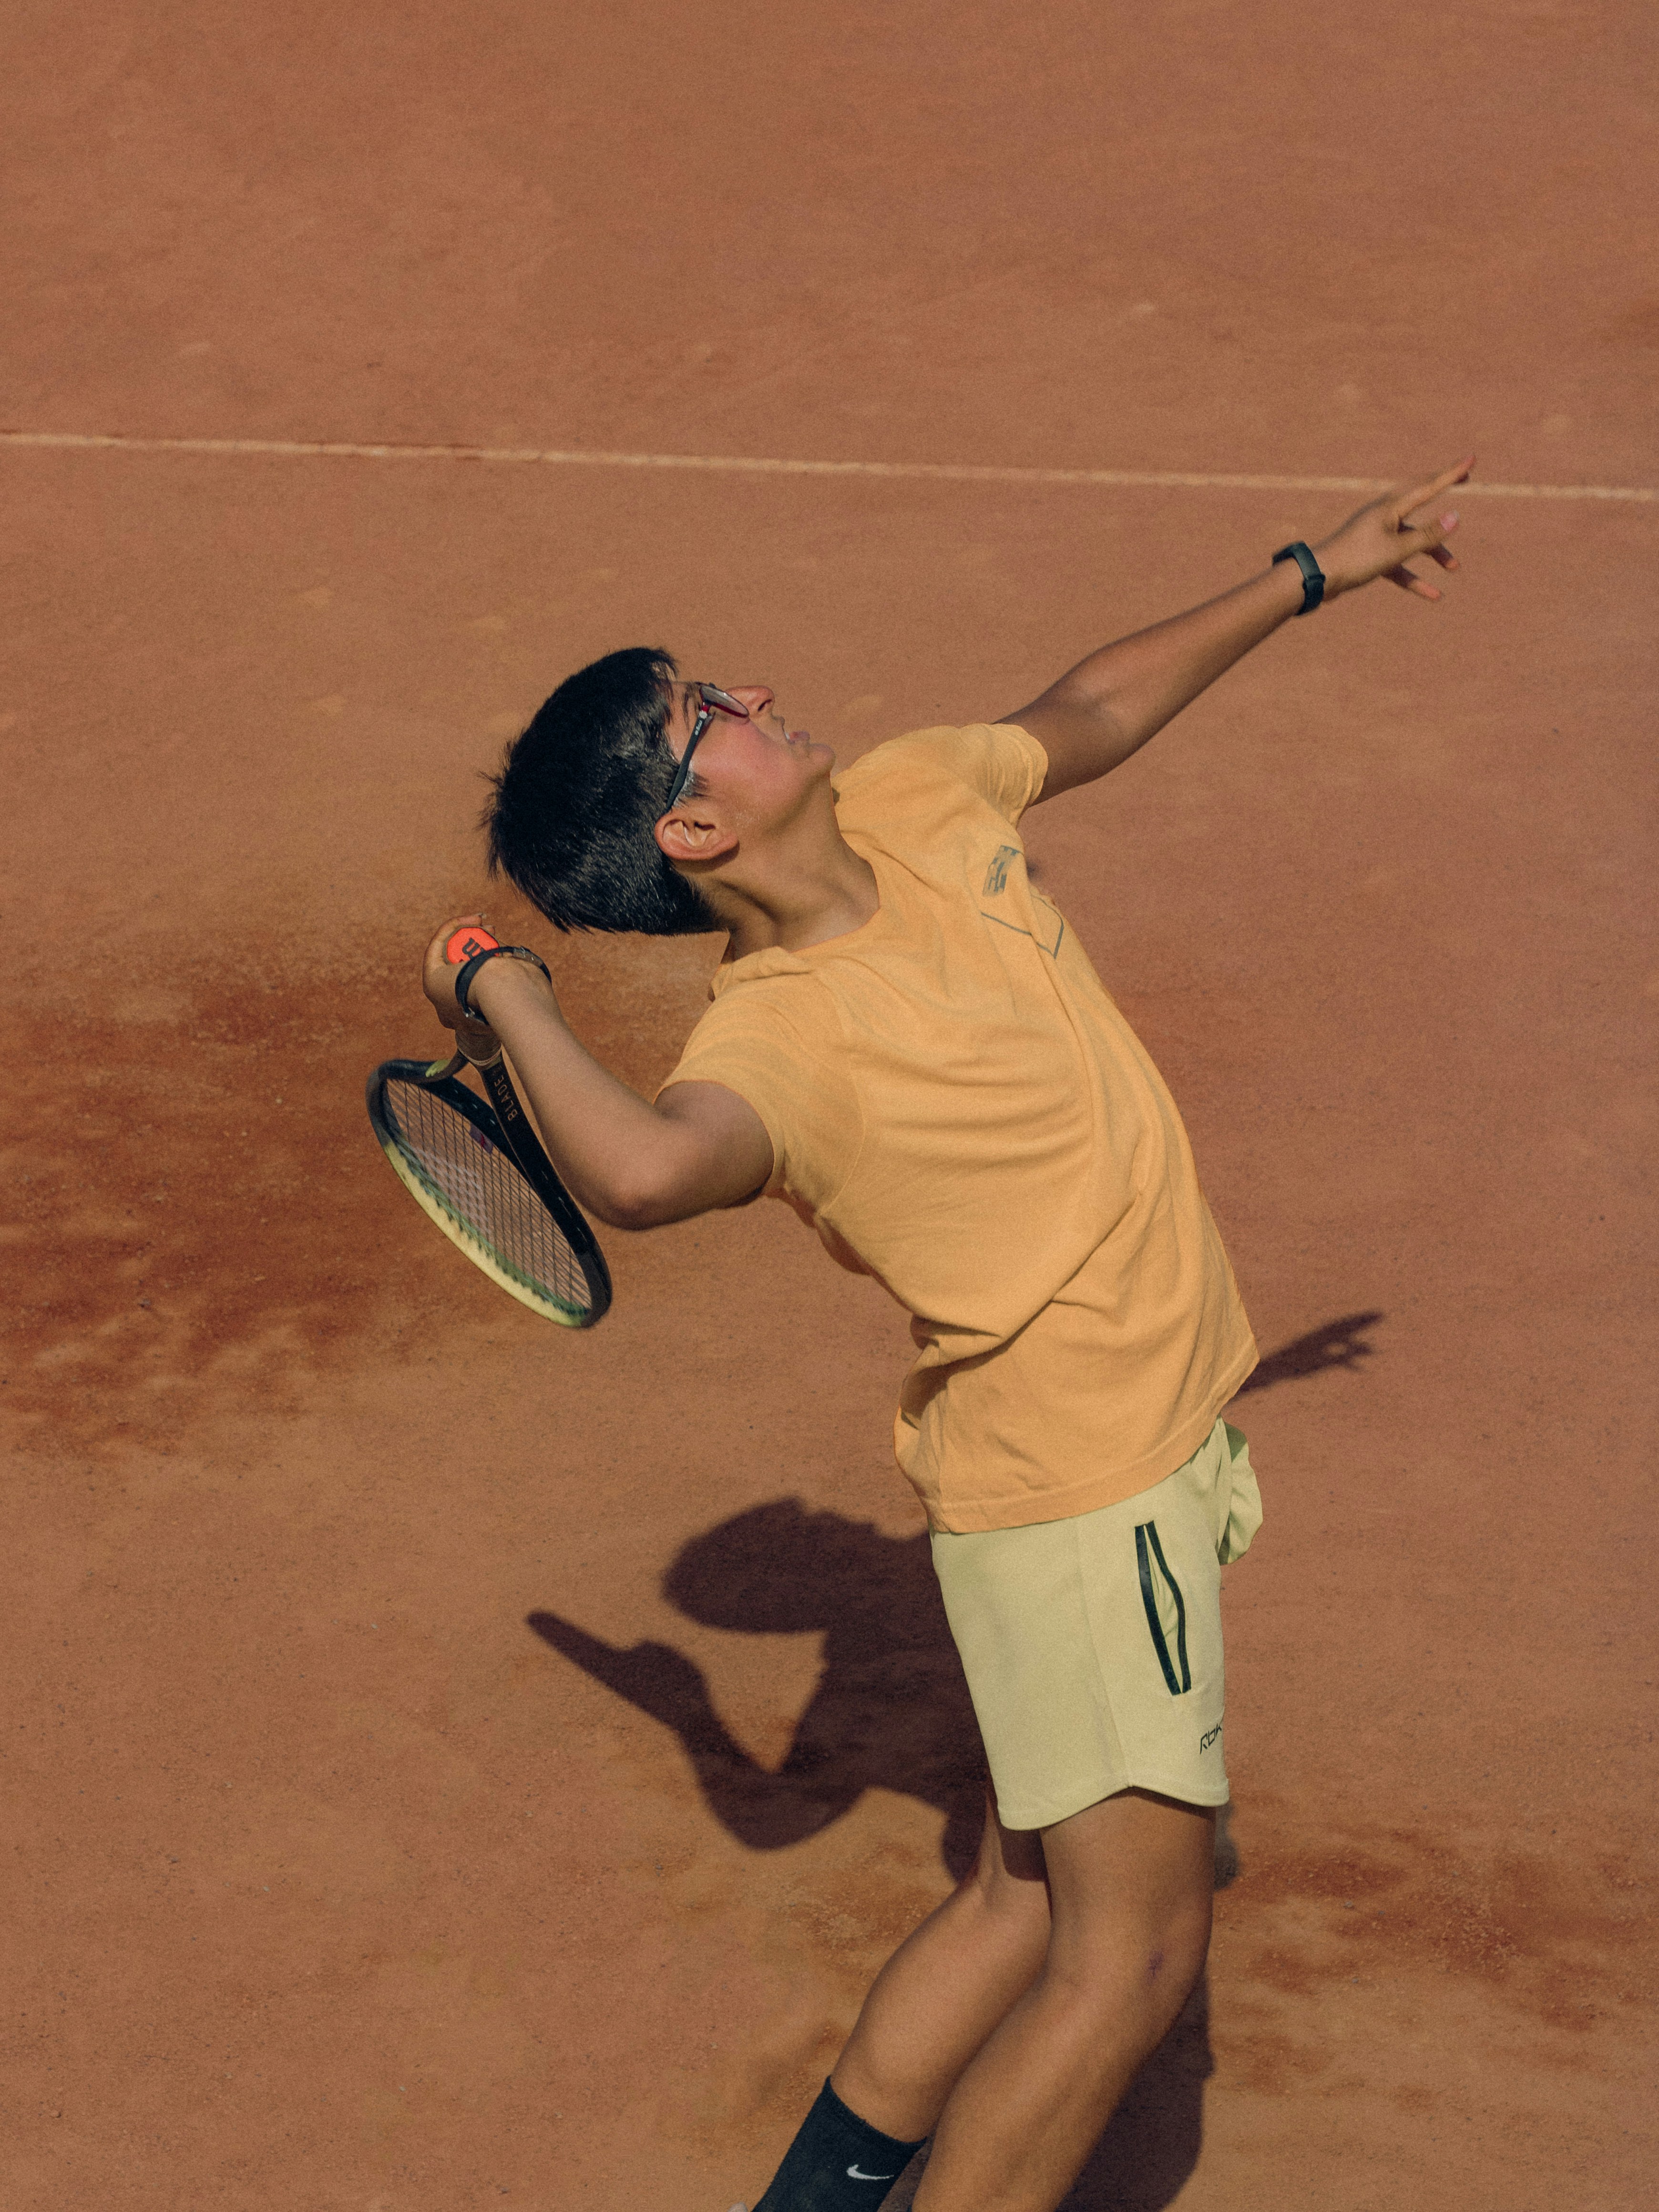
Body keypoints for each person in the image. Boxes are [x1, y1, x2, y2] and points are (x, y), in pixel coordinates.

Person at [421, 462, 1469, 2212]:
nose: (752, 698)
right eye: (710, 715)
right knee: (1128, 1963)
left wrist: (1311, 573)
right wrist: (505, 990)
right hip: (1085, 1496)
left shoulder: (915, 791)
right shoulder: (780, 1047)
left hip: (1120, 1460)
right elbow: (645, 1168)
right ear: (695, 831)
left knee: (1024, 1893)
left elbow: (1092, 706)